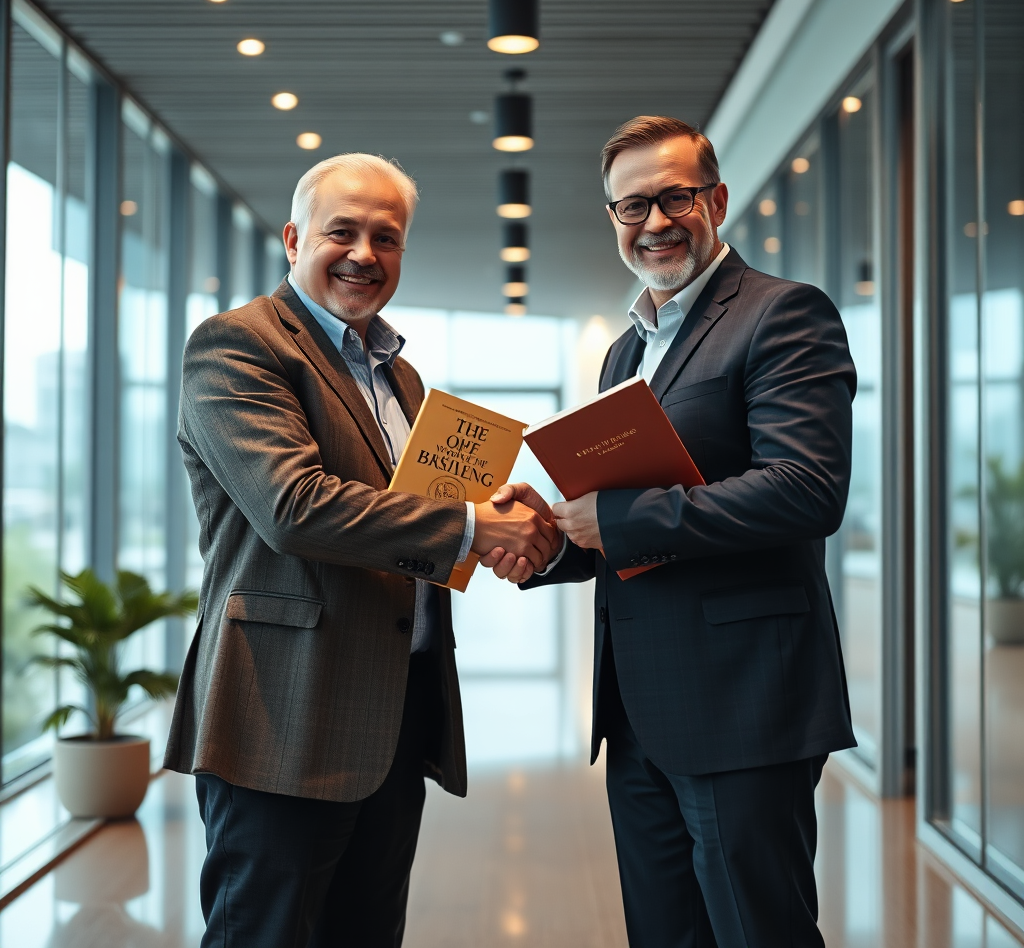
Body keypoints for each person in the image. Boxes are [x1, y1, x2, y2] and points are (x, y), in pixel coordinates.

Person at [164, 152, 559, 948]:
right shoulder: (237, 345)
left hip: (393, 712)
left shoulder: (401, 377)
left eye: (388, 237)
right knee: (265, 934)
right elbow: (293, 506)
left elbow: (410, 519)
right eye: (342, 231)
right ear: (292, 238)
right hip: (284, 712)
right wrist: (479, 528)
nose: (365, 254)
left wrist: (500, 518)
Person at [481, 116, 857, 947]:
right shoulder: (626, 352)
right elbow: (624, 514)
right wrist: (546, 544)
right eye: (632, 206)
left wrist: (613, 518)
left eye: (675, 197)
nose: (654, 222)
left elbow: (806, 490)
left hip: (745, 703)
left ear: (716, 199)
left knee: (759, 931)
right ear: (612, 219)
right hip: (640, 709)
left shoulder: (782, 316)